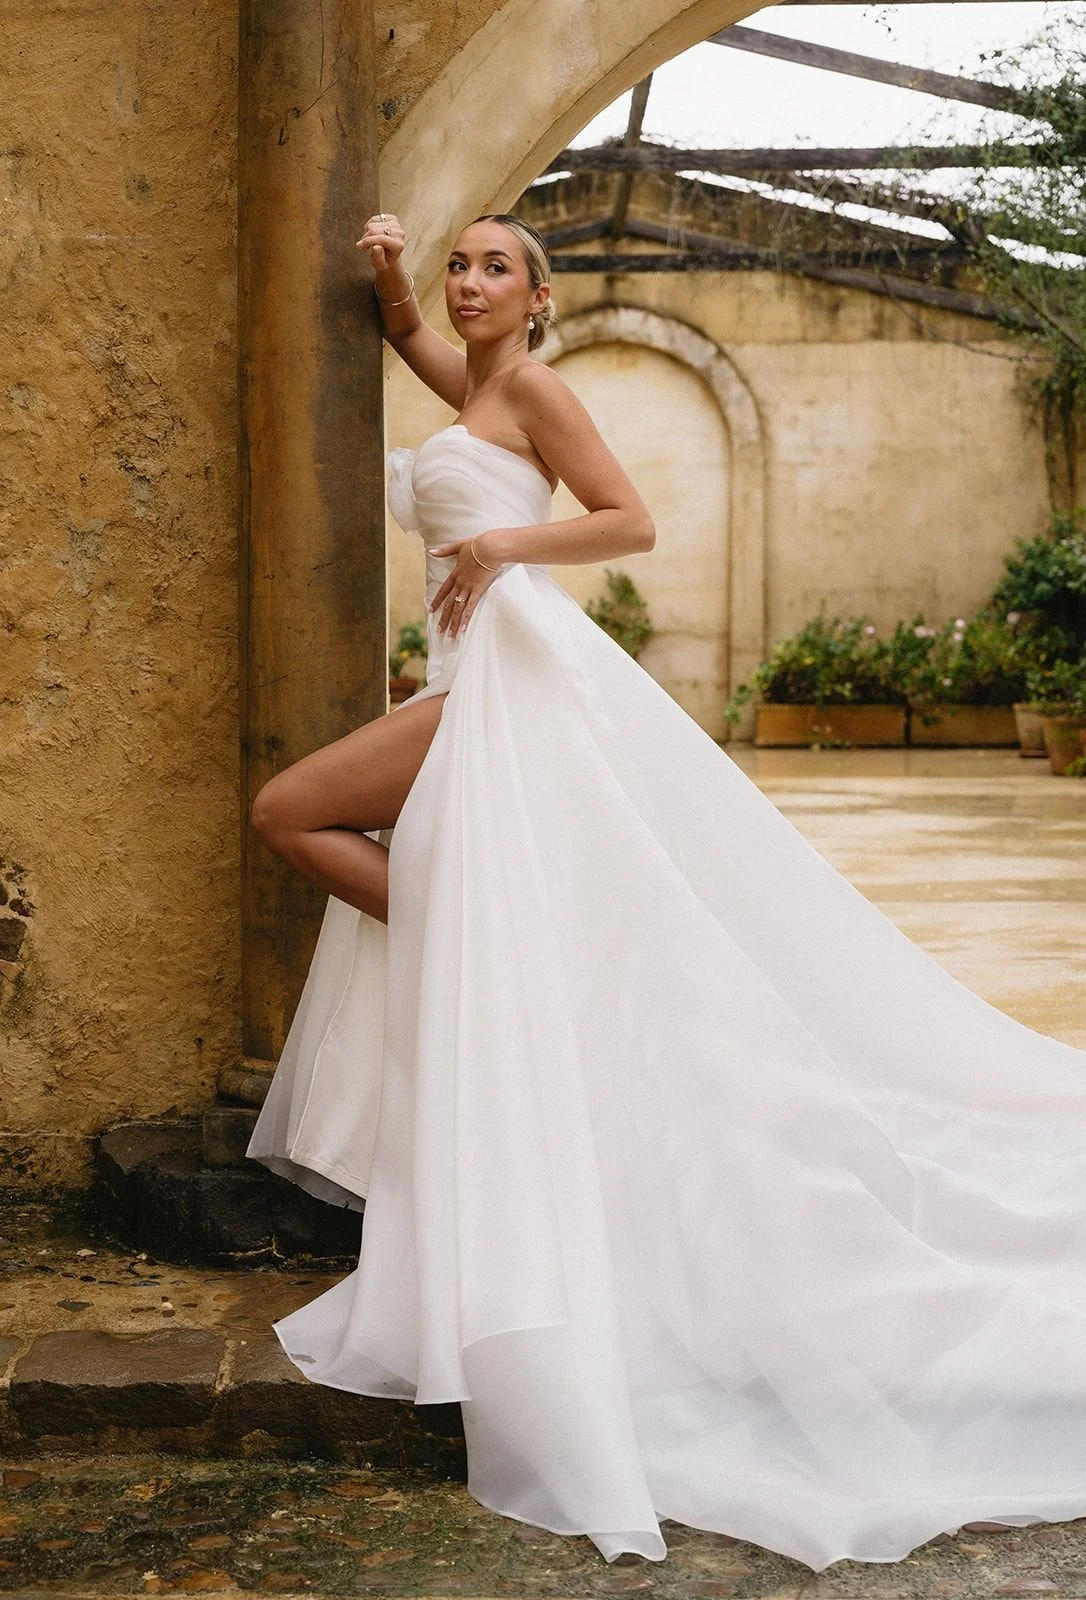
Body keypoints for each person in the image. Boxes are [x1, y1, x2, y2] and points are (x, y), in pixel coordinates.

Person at [247, 210, 1086, 1573]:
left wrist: (500, 553)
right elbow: (411, 342)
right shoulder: (476, 379)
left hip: (498, 686)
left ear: (537, 293)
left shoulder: (533, 386)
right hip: (471, 688)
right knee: (305, 815)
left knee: (288, 806)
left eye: (491, 267)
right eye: (460, 264)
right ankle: (494, 935)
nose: (468, 284)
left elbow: (626, 518)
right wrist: (393, 283)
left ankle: (484, 936)